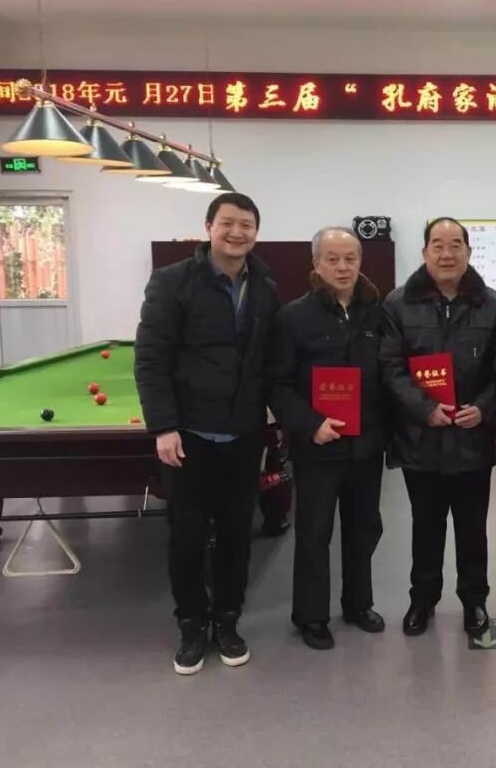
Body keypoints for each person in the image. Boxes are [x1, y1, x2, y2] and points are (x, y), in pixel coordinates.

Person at [135, 192, 279, 676]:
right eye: (228, 223)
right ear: (209, 227)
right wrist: (163, 426)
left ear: (256, 232)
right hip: (188, 437)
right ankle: (192, 624)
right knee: (187, 537)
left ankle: (227, 621)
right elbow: (150, 359)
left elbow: (268, 360)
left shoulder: (265, 286)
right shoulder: (172, 282)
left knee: (238, 535)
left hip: (243, 435)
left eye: (247, 225)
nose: (237, 233)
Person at [380, 217, 496, 638]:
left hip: (473, 437)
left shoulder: (494, 305)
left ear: (469, 252)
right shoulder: (397, 304)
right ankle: (423, 600)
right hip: (420, 438)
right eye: (438, 245)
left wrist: (485, 408)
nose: (447, 253)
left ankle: (475, 601)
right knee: (426, 526)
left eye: (456, 245)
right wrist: (424, 409)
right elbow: (390, 366)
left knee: (473, 528)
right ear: (424, 252)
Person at [269, 227, 390, 650]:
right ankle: (311, 615)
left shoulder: (377, 314)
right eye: (333, 259)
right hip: (318, 446)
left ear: (360, 262)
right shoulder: (293, 317)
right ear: (316, 264)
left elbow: (389, 374)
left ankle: (358, 604)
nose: (342, 267)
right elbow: (278, 385)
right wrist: (310, 424)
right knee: (314, 532)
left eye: (350, 259)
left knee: (364, 528)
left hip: (366, 445)